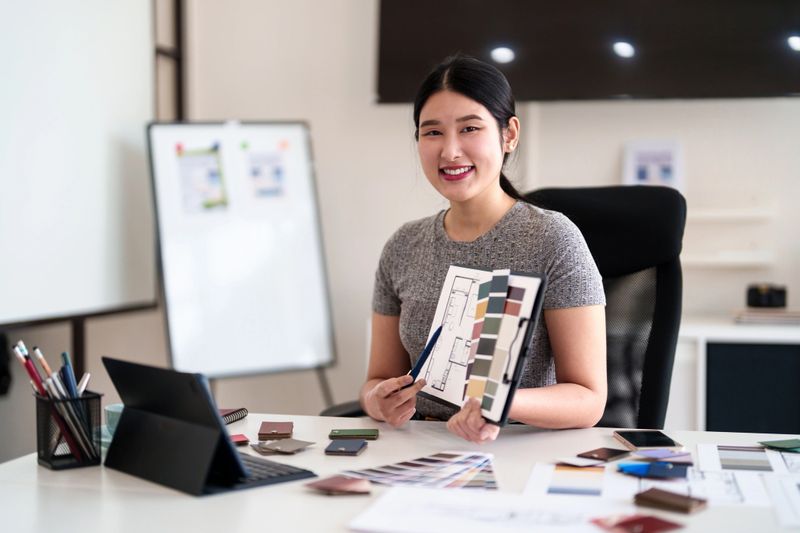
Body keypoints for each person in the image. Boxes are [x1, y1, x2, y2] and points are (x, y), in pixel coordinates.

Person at [359, 55, 607, 443]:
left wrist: (499, 404)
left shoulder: (553, 239)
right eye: (433, 132)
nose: (450, 152)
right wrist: (378, 401)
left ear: (509, 134)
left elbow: (589, 399)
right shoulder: (403, 246)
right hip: (419, 450)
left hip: (519, 447)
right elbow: (377, 380)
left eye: (470, 128)